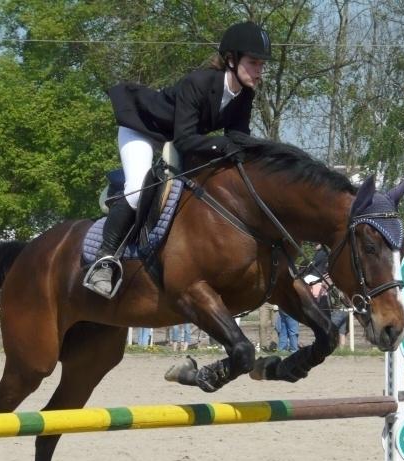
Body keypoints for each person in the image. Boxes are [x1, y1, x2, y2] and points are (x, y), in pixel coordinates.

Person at [86, 21, 272, 297]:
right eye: (254, 63)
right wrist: (224, 145)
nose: (259, 71)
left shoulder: (244, 95)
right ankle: (105, 259)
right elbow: (187, 140)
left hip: (174, 140)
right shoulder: (198, 82)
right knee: (138, 190)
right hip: (143, 130)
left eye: (262, 65)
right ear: (231, 60)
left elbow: (239, 139)